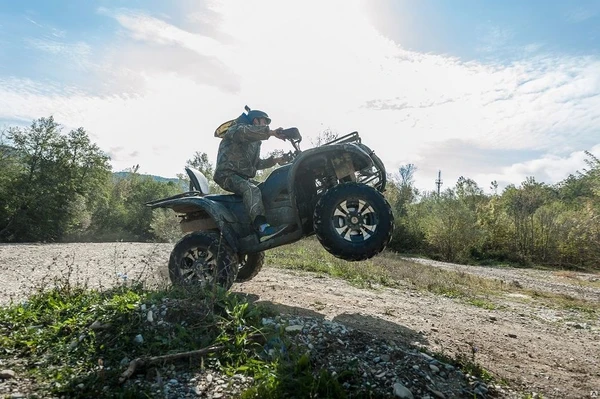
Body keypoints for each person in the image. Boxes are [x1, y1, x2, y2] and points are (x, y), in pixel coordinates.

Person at [213, 109, 288, 242]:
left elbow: (256, 163)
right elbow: (246, 132)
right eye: (264, 122)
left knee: (267, 188)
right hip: (226, 175)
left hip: (242, 177)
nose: (265, 125)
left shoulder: (254, 143)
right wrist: (271, 132)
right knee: (251, 189)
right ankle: (262, 228)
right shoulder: (236, 130)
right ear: (255, 120)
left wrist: (276, 160)